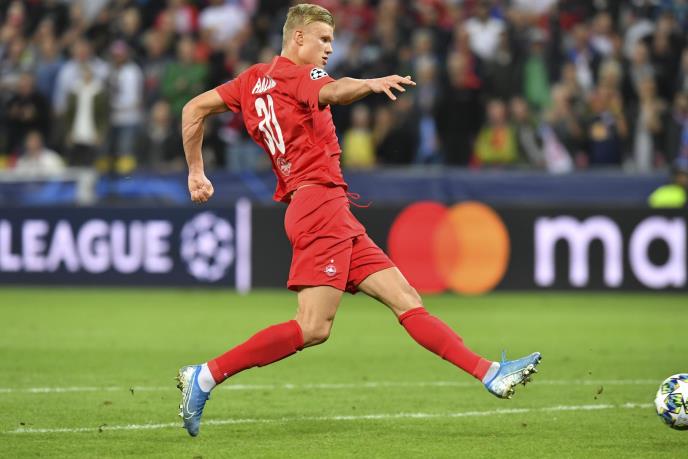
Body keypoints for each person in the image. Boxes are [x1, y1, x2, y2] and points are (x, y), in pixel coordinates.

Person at [176, 3, 541, 437]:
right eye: (323, 39)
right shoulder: (300, 75)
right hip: (319, 207)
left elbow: (193, 109)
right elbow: (334, 91)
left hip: (324, 207)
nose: (329, 48)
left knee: (405, 298)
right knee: (313, 327)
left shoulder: (251, 80)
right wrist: (369, 83)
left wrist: (196, 171)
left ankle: (490, 372)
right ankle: (206, 376)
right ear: (297, 38)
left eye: (331, 40)